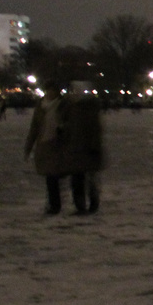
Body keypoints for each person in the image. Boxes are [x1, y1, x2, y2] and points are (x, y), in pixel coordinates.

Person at [58, 81, 104, 213]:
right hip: (77, 148)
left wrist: (94, 147)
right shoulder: (72, 107)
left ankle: (89, 204)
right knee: (79, 180)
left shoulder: (86, 109)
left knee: (86, 180)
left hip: (86, 149)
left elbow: (94, 130)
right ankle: (82, 205)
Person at [23, 82, 69, 214]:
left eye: (53, 90)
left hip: (57, 144)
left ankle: (55, 205)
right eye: (49, 90)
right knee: (49, 177)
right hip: (43, 144)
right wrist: (28, 147)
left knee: (53, 176)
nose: (51, 93)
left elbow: (69, 124)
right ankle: (53, 204)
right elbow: (34, 128)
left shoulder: (63, 106)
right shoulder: (41, 106)